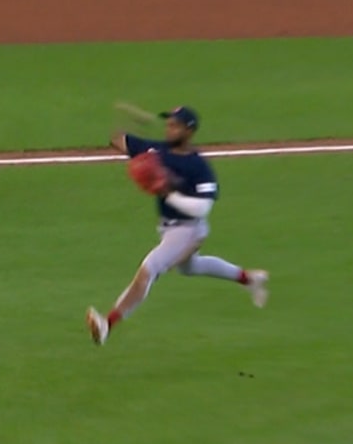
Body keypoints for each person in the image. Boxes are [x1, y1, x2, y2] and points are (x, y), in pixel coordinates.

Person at [85, 105, 269, 346]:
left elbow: (203, 208)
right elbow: (117, 139)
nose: (169, 128)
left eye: (175, 125)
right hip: (168, 228)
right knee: (190, 267)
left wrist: (167, 192)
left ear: (189, 131)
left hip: (189, 230)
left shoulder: (198, 167)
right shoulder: (155, 151)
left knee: (149, 269)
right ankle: (249, 279)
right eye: (168, 123)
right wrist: (131, 119)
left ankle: (107, 323)